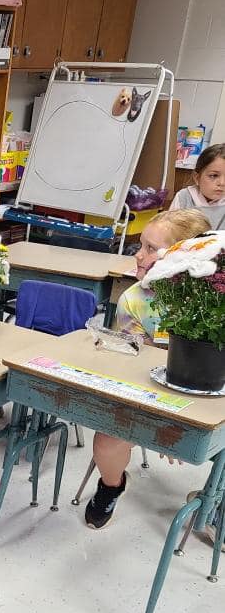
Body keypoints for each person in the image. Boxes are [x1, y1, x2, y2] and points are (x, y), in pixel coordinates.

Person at [84, 208, 210, 530]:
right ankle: (112, 485)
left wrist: (187, 416)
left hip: (206, 395)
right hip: (146, 389)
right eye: (142, 245)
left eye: (151, 249)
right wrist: (166, 417)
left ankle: (214, 502)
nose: (139, 255)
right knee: (106, 441)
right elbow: (136, 361)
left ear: (185, 258)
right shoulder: (134, 299)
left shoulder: (212, 303)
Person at [170, 143, 225, 231]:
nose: (222, 183)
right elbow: (169, 231)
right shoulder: (184, 197)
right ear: (197, 178)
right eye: (213, 176)